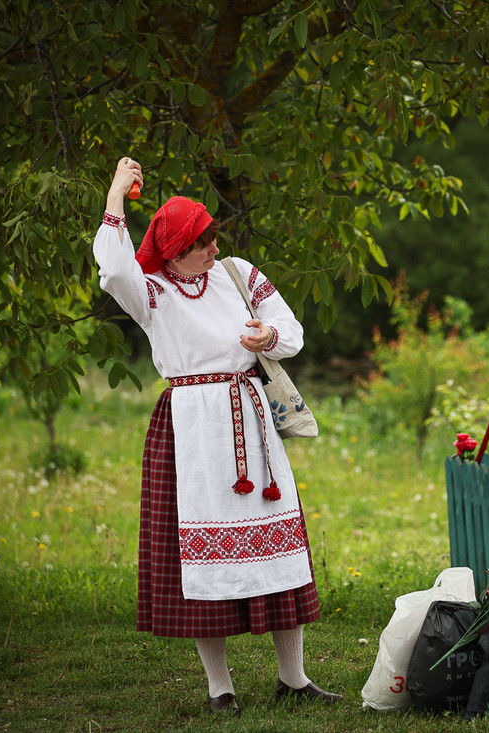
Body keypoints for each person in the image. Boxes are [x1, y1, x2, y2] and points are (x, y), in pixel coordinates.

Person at [92, 157, 341, 715]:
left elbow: (293, 334)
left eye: (211, 238)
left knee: (277, 547)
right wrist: (115, 196)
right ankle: (219, 689)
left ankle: (293, 678)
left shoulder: (238, 273)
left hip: (252, 424)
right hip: (192, 432)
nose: (211, 248)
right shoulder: (150, 291)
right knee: (202, 561)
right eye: (199, 243)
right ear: (173, 252)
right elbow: (111, 270)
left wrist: (267, 334)